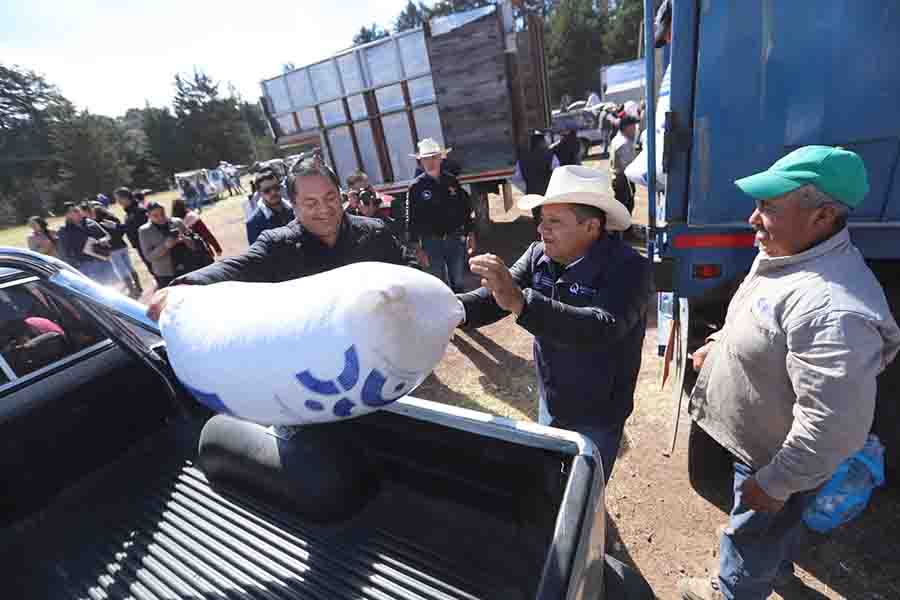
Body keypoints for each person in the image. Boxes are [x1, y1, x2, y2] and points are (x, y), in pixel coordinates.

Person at [678, 147, 900, 600]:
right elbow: (761, 319)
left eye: (769, 208)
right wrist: (720, 348)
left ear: (822, 216)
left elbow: (832, 425)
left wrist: (776, 482)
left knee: (752, 533)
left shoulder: (834, 312)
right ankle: (771, 570)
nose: (752, 219)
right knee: (766, 532)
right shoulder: (791, 256)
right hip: (764, 445)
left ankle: (735, 590)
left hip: (776, 458)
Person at [457, 166, 653, 482]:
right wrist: (449, 308)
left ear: (591, 226)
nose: (541, 229)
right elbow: (495, 298)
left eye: (554, 222)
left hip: (599, 413)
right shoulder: (538, 255)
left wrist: (521, 302)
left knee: (584, 493)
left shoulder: (630, 268)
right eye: (542, 219)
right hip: (552, 398)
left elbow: (603, 327)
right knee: (550, 477)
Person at [146, 158, 407, 320]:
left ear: (339, 195)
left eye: (329, 198)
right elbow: (238, 266)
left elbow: (409, 274)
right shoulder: (278, 244)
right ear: (293, 205)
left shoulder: (375, 232)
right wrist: (185, 287)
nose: (324, 209)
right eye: (310, 203)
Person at [406, 138, 476, 293]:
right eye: (426, 159)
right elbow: (411, 219)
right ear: (421, 161)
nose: (430, 162)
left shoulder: (451, 181)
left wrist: (470, 233)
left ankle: (463, 310)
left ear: (440, 158)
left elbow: (465, 209)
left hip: (454, 238)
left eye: (433, 157)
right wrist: (417, 249)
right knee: (437, 284)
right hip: (431, 242)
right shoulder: (416, 187)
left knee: (457, 280)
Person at [56, 202, 119, 285]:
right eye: (74, 211)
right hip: (86, 266)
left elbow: (106, 235)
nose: (78, 212)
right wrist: (77, 266)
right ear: (67, 215)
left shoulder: (90, 222)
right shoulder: (64, 231)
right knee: (100, 291)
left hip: (103, 260)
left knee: (116, 286)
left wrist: (102, 240)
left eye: (78, 209)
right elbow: (64, 253)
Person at [89, 202, 143, 299]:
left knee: (122, 271)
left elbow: (102, 237)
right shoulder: (113, 218)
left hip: (113, 249)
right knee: (130, 267)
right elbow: (121, 231)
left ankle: (131, 290)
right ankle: (138, 287)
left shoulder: (96, 224)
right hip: (122, 245)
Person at [138, 202, 196, 289]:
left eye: (162, 214)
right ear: (148, 215)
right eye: (155, 215)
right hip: (166, 275)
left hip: (188, 267)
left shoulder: (177, 222)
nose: (161, 217)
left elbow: (194, 245)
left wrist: (184, 239)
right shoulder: (144, 231)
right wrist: (165, 246)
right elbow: (149, 257)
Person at [246, 170, 294, 244]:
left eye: (276, 187)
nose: (273, 192)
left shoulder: (295, 209)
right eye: (267, 190)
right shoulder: (253, 223)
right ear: (259, 193)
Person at [113, 187, 152, 275]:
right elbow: (130, 228)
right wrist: (117, 226)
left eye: (118, 199)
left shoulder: (139, 210)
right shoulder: (129, 212)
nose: (118, 202)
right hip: (140, 247)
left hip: (148, 247)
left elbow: (143, 228)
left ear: (126, 198)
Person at [610, 115, 640, 215]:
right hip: (624, 180)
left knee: (620, 207)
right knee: (626, 208)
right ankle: (624, 230)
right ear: (626, 128)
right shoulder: (624, 143)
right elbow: (629, 166)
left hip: (617, 179)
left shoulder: (617, 138)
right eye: (633, 127)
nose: (635, 130)